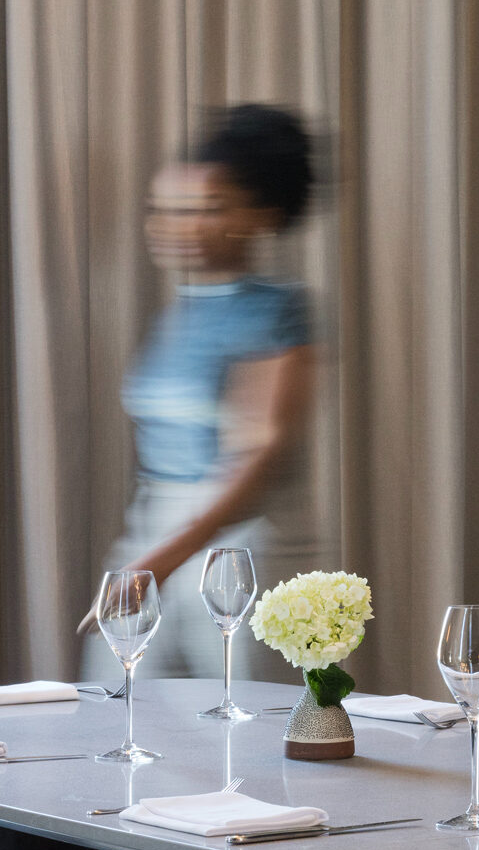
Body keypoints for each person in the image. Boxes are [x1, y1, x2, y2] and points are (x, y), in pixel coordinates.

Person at [81, 105, 320, 677]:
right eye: (163, 210)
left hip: (238, 548)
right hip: (154, 531)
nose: (176, 225)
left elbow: (256, 458)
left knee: (237, 737)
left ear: (256, 216)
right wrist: (150, 555)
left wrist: (158, 563)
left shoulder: (275, 310)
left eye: (204, 210)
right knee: (119, 713)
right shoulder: (180, 313)